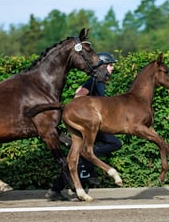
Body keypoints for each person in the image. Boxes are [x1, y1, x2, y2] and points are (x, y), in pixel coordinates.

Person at [46, 52, 122, 201]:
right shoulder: (93, 80)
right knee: (114, 143)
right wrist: (87, 113)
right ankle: (86, 157)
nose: (113, 68)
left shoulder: (100, 81)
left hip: (97, 122)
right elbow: (78, 95)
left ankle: (56, 188)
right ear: (104, 66)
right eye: (111, 65)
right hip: (90, 122)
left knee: (84, 153)